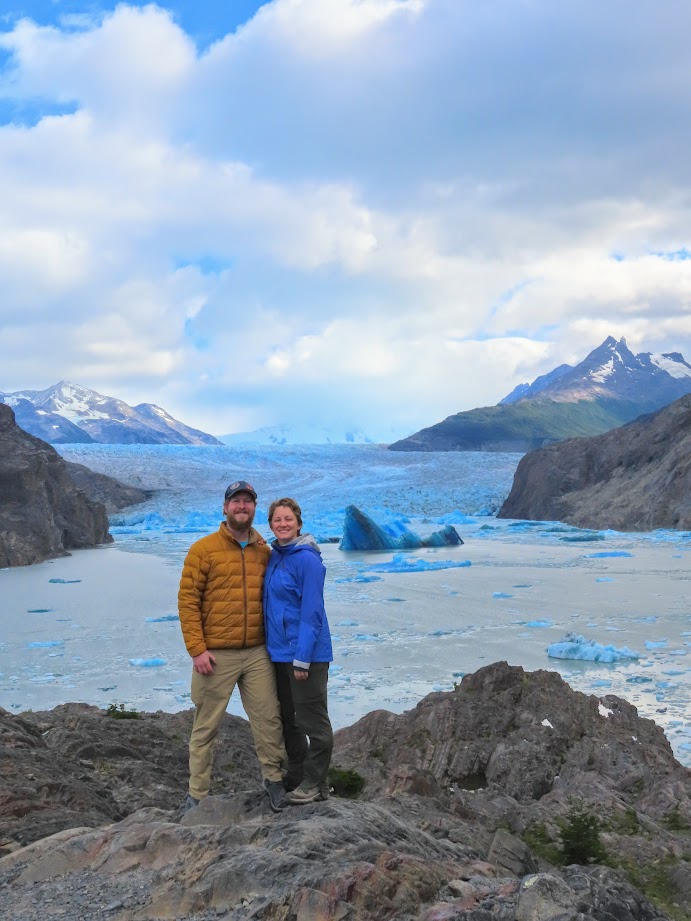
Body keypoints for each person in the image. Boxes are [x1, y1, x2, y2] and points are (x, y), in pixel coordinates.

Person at [178, 480, 287, 813]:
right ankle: (197, 795)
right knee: (206, 727)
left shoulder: (263, 551)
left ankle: (274, 781)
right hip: (215, 654)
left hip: (256, 652)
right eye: (236, 501)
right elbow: (188, 601)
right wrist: (197, 649)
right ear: (225, 508)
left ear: (254, 508)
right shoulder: (203, 550)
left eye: (247, 501)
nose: (242, 506)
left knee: (269, 720)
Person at [263, 497, 334, 804]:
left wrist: (303, 657)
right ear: (270, 525)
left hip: (307, 657)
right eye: (277, 519)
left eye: (288, 519)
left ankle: (316, 783)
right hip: (280, 654)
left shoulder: (308, 560)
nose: (283, 524)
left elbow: (312, 612)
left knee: (313, 721)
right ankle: (298, 775)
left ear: (299, 523)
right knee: (288, 720)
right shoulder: (275, 557)